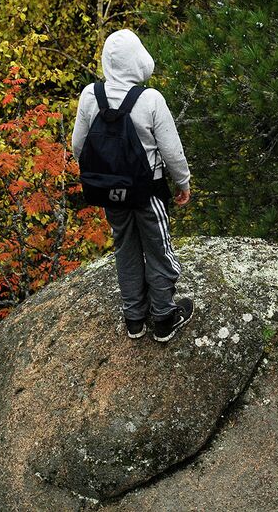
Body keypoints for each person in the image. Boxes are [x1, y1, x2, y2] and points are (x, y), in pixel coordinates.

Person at [71, 28, 193, 343]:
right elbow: (172, 151)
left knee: (125, 248)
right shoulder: (149, 99)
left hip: (110, 192)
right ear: (138, 60)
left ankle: (134, 319)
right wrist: (183, 182)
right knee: (157, 249)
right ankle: (164, 317)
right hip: (147, 191)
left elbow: (78, 147)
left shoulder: (90, 95)